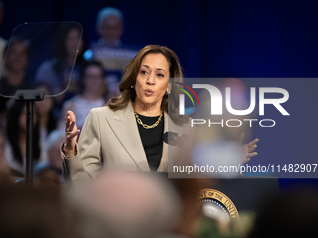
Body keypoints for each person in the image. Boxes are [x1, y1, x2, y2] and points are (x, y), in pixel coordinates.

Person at [62, 45, 259, 183]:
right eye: (144, 72)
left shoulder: (186, 126)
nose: (150, 81)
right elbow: (83, 186)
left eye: (160, 75)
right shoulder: (101, 119)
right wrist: (71, 153)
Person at [59, 60, 108, 130]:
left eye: (97, 77)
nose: (94, 80)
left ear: (103, 80)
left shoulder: (108, 106)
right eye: (90, 76)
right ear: (83, 79)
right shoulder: (70, 105)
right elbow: (62, 134)